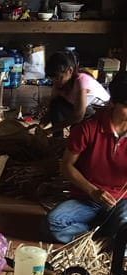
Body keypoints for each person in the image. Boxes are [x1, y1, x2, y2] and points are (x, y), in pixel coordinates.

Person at [46, 71, 127, 244]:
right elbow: (66, 166)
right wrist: (93, 191)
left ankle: (103, 234)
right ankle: (104, 237)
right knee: (54, 223)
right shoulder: (88, 128)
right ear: (113, 103)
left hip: (122, 202)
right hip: (87, 199)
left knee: (123, 222)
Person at [39, 50, 110, 137]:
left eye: (58, 77)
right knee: (56, 104)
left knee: (77, 128)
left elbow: (78, 116)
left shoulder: (82, 81)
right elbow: (51, 110)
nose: (55, 81)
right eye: (53, 78)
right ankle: (57, 139)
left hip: (101, 112)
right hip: (84, 108)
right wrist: (40, 127)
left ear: (70, 70)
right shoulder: (59, 84)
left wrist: (49, 131)